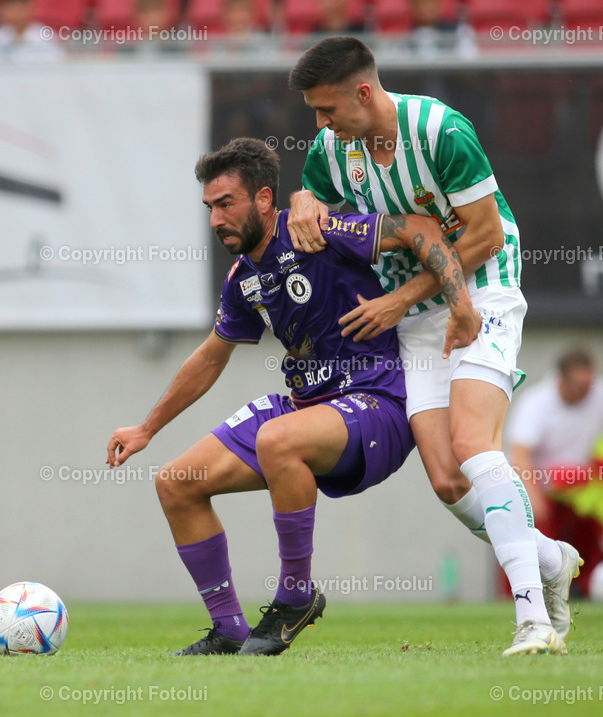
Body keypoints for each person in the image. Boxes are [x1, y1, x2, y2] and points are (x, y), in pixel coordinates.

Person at [106, 137, 476, 656]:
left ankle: (295, 598)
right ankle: (229, 629)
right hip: (307, 407)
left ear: (263, 200)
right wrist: (147, 428)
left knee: (278, 439)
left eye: (226, 204)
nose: (215, 220)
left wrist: (441, 302)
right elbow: (211, 358)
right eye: (210, 208)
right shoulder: (243, 280)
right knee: (175, 483)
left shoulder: (317, 231)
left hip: (375, 402)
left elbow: (423, 230)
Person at [286, 36, 577, 656]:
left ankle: (532, 620)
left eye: (327, 109)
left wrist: (395, 301)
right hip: (418, 317)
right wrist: (303, 202)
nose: (321, 123)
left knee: (474, 445)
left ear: (363, 92)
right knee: (447, 480)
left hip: (484, 290)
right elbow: (309, 195)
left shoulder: (441, 131)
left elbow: (486, 235)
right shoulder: (333, 149)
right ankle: (549, 559)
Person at [507, 347, 603, 597]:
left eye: (589, 383)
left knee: (595, 530)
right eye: (580, 385)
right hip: (542, 486)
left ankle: (588, 586)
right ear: (561, 380)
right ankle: (531, 593)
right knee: (535, 544)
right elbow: (520, 453)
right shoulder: (536, 403)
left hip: (579, 488)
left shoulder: (600, 392)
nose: (587, 391)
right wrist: (534, 497)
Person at [0, 0, 65, 65]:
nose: (14, 13)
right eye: (10, 8)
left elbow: (56, 64)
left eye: (19, 8)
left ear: (29, 8)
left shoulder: (46, 36)